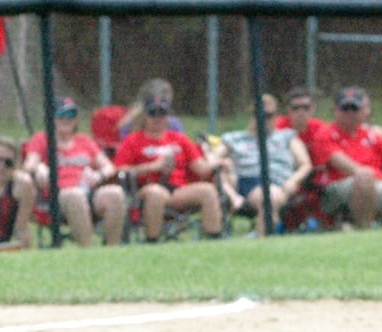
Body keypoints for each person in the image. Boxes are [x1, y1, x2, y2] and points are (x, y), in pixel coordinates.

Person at [306, 86, 382, 228]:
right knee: (364, 177)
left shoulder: (372, 135)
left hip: (376, 185)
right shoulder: (325, 134)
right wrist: (373, 175)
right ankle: (365, 231)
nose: (350, 113)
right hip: (337, 189)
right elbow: (349, 167)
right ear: (336, 111)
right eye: (345, 109)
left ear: (363, 111)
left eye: (354, 109)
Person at [113, 94, 226, 240]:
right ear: (145, 116)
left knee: (208, 190)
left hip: (178, 190)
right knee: (156, 193)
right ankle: (152, 241)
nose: (158, 118)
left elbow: (201, 168)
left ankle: (214, 239)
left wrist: (218, 162)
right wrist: (153, 167)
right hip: (146, 188)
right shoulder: (132, 140)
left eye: (162, 113)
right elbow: (119, 171)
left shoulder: (179, 139)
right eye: (153, 113)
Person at [22, 97, 127, 246]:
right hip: (57, 196)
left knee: (115, 193)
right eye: (61, 115)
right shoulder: (42, 139)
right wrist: (39, 167)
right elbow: (28, 166)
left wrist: (98, 175)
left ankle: (111, 249)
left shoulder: (84, 141)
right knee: (74, 195)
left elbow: (109, 167)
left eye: (71, 114)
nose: (66, 119)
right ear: (51, 117)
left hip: (87, 190)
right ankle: (88, 250)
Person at [219, 94, 312, 237]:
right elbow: (213, 159)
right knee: (268, 197)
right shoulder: (235, 139)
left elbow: (305, 164)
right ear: (252, 116)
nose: (264, 119)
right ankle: (261, 240)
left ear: (276, 116)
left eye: (269, 115)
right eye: (259, 115)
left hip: (280, 182)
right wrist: (224, 163)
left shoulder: (287, 137)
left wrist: (293, 181)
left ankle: (259, 237)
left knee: (270, 197)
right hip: (246, 182)